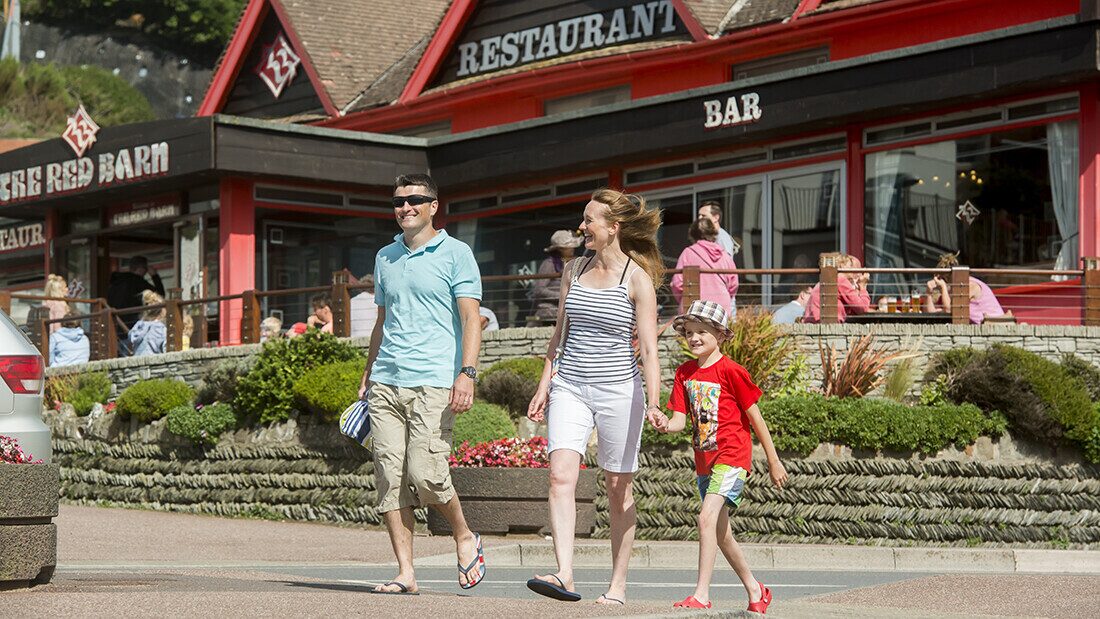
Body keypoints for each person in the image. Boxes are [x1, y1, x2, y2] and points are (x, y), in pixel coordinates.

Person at [526, 188, 665, 606]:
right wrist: (544, 383)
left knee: (618, 488)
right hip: (571, 385)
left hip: (619, 391)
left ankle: (618, 584)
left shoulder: (637, 280)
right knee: (559, 476)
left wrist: (655, 403)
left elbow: (650, 352)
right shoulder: (574, 270)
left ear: (613, 227)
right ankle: (565, 573)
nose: (581, 227)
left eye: (589, 221)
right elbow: (559, 335)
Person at [356, 173, 485, 594]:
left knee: (426, 474)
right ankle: (406, 573)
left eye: (415, 199)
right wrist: (368, 371)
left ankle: (464, 536)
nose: (405, 207)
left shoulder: (456, 253)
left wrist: (466, 373)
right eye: (398, 201)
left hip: (434, 382)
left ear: (433, 205)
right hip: (386, 382)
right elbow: (382, 322)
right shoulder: (385, 257)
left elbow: (471, 318)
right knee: (390, 480)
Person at [655, 300, 787, 613]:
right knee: (720, 533)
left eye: (702, 331)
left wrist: (773, 460)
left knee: (704, 517)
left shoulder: (732, 371)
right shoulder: (684, 373)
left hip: (732, 456)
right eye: (689, 332)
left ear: (720, 334)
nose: (694, 338)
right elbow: (678, 422)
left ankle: (701, 594)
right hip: (705, 462)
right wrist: (663, 423)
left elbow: (756, 418)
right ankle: (756, 590)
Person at [670, 218, 739, 316]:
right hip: (721, 309)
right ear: (713, 233)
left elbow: (677, 283)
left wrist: (683, 298)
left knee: (694, 331)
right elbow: (733, 284)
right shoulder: (725, 256)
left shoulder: (688, 253)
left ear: (692, 234)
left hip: (694, 307)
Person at [923, 253, 1006, 324]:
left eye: (942, 280)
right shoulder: (950, 291)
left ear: (947, 278)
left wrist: (943, 287)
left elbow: (950, 311)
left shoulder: (968, 285)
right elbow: (930, 314)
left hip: (994, 325)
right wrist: (928, 293)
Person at [531, 229, 584, 323]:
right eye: (568, 246)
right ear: (559, 249)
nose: (572, 248)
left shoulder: (575, 262)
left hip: (571, 311)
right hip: (550, 312)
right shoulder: (549, 264)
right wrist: (561, 295)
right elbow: (539, 289)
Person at [802, 254, 871, 323]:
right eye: (851, 266)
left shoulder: (829, 279)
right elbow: (862, 308)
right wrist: (863, 286)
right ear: (842, 266)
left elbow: (854, 309)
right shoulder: (841, 280)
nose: (855, 272)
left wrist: (856, 289)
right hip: (824, 325)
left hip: (814, 323)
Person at [129, 290, 167, 357]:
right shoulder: (161, 329)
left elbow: (131, 338)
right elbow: (166, 350)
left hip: (137, 362)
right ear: (162, 312)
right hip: (153, 364)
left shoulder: (138, 326)